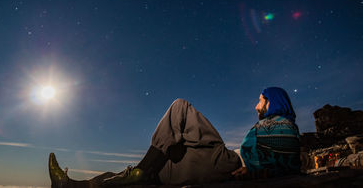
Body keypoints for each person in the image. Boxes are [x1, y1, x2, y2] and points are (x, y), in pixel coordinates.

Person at [49, 87, 300, 187]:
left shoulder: (283, 127)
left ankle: (141, 170)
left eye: (260, 101)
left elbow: (287, 165)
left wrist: (254, 173)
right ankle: (71, 186)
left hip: (229, 163)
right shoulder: (278, 125)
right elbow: (282, 163)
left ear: (272, 101)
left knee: (180, 107)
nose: (256, 107)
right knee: (150, 173)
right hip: (219, 166)